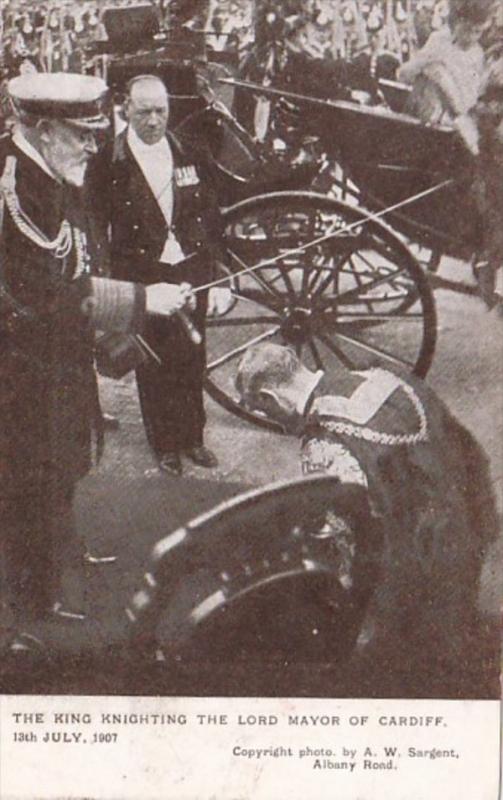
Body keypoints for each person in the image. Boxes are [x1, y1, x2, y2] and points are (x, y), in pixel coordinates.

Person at [0, 72, 194, 638]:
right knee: (28, 475)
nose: (93, 144)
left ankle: (56, 555)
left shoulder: (55, 168)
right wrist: (141, 299)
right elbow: (42, 294)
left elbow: (82, 256)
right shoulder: (15, 188)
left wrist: (119, 326)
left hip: (53, 352)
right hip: (19, 363)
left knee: (62, 459)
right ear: (38, 126)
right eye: (81, 133)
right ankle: (29, 608)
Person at [235, 343, 498, 674]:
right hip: (461, 531)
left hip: (411, 571)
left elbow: (343, 546)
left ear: (268, 399)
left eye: (258, 409)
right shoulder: (384, 378)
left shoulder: (324, 444)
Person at [109, 74, 232, 477]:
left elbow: (211, 220)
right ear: (126, 108)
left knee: (192, 357)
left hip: (190, 272)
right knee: (155, 361)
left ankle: (193, 437)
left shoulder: (189, 152)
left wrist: (217, 276)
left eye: (161, 110)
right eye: (143, 111)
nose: (153, 120)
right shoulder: (108, 163)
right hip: (144, 277)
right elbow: (97, 228)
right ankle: (164, 444)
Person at [399, 0, 488, 132]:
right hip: (421, 116)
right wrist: (425, 67)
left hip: (451, 126)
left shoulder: (477, 55)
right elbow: (403, 75)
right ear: (456, 22)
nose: (472, 38)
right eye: (467, 30)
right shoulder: (439, 40)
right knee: (432, 72)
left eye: (478, 32)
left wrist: (444, 80)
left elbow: (467, 104)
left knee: (439, 74)